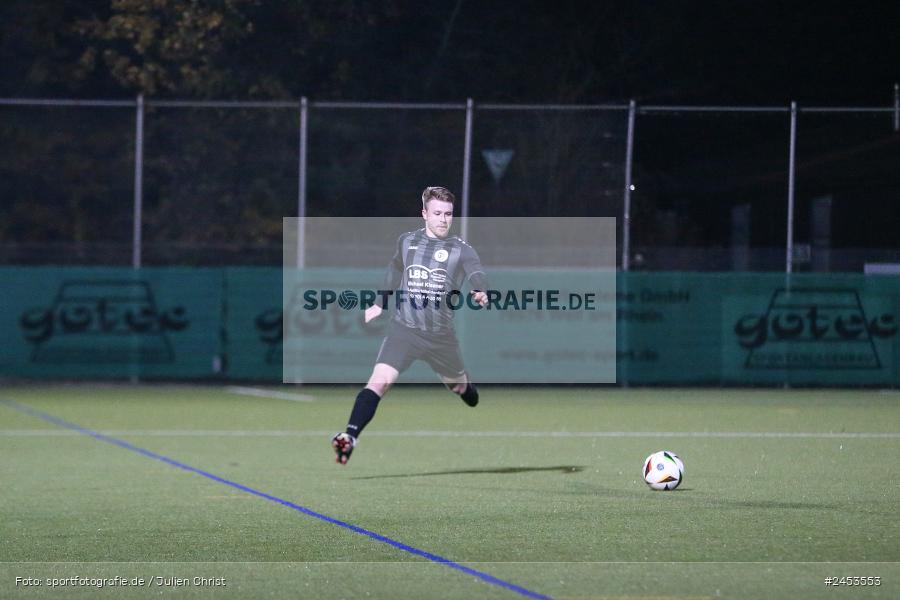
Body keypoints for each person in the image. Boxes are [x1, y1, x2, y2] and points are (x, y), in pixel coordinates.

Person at [332, 186, 488, 464]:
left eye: (448, 214)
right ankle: (350, 436)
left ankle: (466, 388)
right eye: (437, 213)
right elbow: (394, 269)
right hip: (404, 330)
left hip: (441, 338)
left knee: (460, 389)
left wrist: (480, 290)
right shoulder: (407, 242)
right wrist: (379, 303)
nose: (443, 219)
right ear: (424, 214)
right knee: (379, 382)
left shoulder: (461, 250)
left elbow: (477, 272)